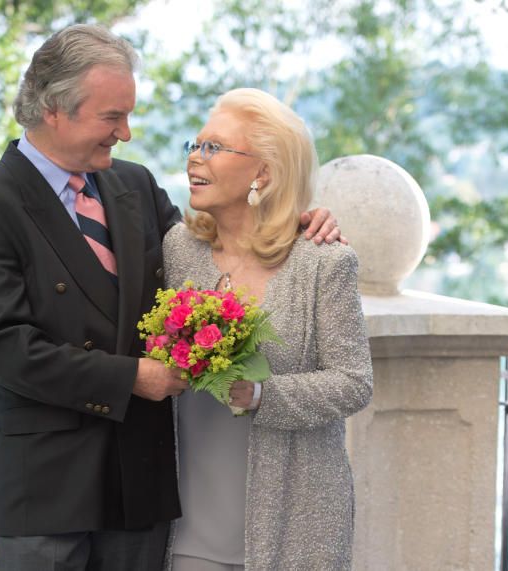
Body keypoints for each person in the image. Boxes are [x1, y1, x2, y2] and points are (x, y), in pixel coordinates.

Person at [0, 24, 341, 571]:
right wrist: (131, 377)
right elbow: (8, 348)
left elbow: (206, 261)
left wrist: (292, 221)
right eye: (112, 117)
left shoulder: (135, 185)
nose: (125, 133)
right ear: (54, 108)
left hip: (140, 478)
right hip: (48, 485)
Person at [162, 88, 373, 571]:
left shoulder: (324, 262)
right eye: (194, 144)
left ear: (264, 172)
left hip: (295, 521)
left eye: (214, 147)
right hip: (188, 520)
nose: (195, 157)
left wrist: (261, 395)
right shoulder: (178, 247)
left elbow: (355, 382)